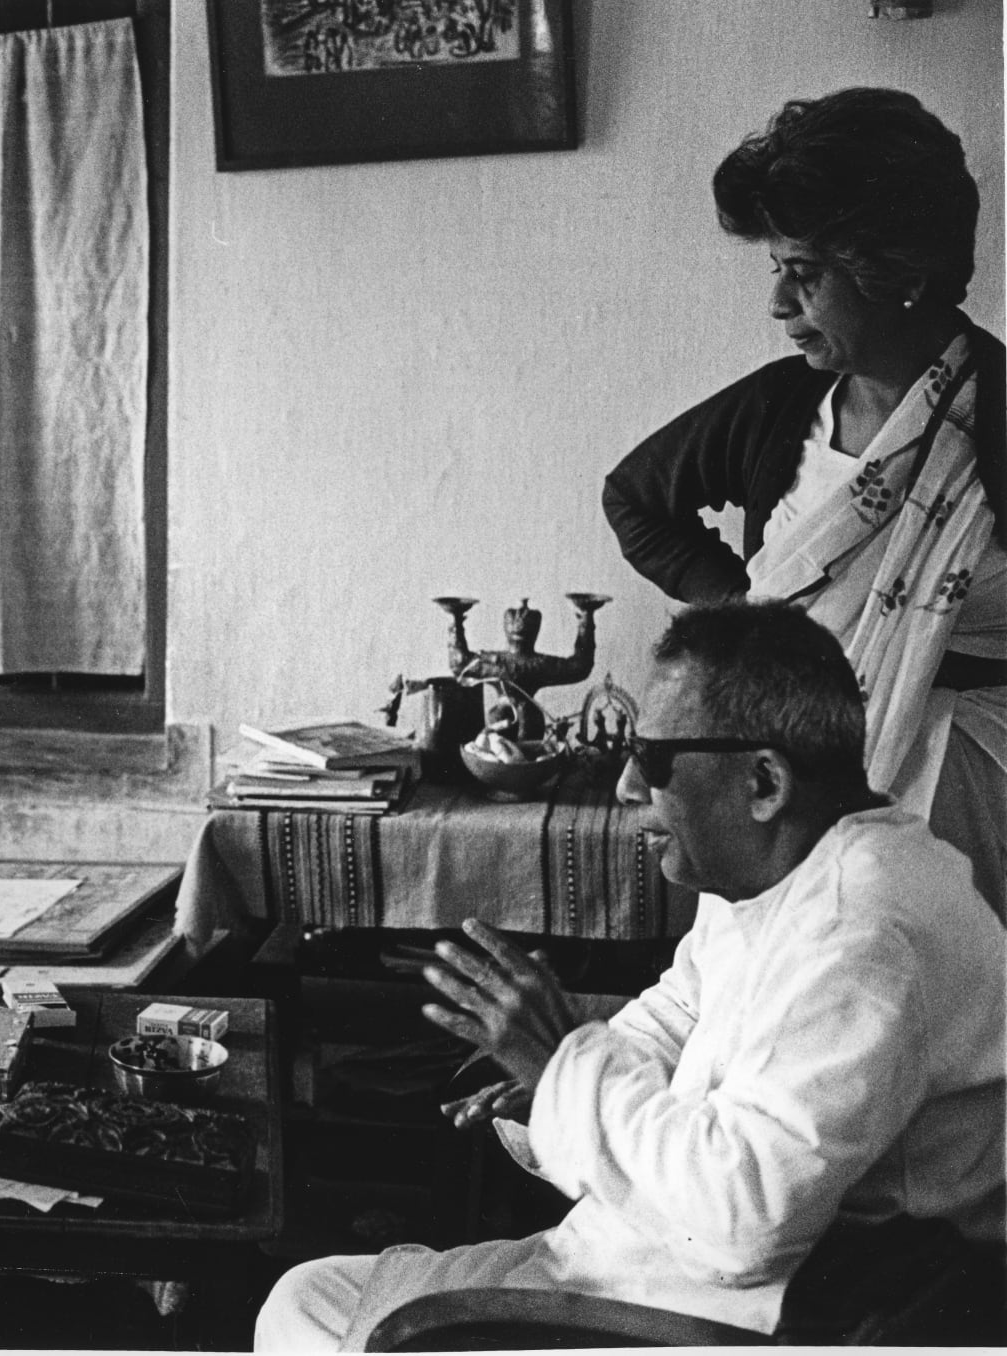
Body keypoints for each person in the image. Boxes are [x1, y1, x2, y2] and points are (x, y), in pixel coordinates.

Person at [255, 601, 1004, 1349]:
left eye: (652, 759)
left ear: (763, 783)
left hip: (784, 1310)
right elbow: (681, 1010)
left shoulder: (859, 931)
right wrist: (561, 1081)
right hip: (688, 1265)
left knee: (327, 1324)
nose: (625, 788)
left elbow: (742, 1223)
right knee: (310, 1297)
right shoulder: (779, 869)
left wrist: (567, 1067)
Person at [602, 88, 1005, 918]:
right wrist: (754, 618)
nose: (779, 303)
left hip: (965, 795)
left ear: (896, 271)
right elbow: (635, 498)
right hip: (790, 795)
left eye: (807, 274)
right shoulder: (780, 408)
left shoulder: (993, 418)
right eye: (777, 269)